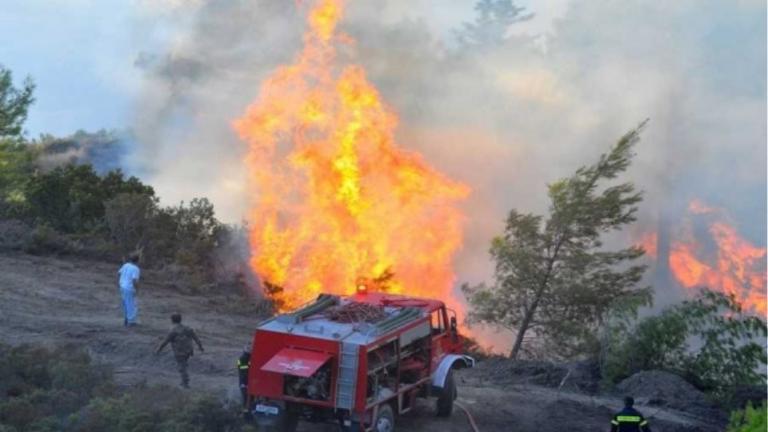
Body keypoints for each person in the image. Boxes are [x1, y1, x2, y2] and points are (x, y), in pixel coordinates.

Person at [156, 313, 204, 388]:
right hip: (188, 350)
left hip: (179, 351)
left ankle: (185, 382)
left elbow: (165, 341)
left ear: (172, 320)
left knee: (182, 367)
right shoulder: (187, 328)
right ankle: (184, 380)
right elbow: (196, 338)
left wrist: (159, 350)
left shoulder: (173, 331)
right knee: (183, 364)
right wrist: (200, 347)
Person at [117, 254, 141, 326]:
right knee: (131, 304)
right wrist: (137, 289)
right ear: (137, 260)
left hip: (122, 286)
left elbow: (119, 273)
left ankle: (127, 318)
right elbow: (134, 280)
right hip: (129, 288)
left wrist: (121, 281)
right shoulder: (136, 268)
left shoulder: (126, 265)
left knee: (125, 303)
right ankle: (131, 321)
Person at [237, 345, 251, 409]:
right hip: (244, 381)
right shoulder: (242, 359)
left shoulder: (249, 357)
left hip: (247, 381)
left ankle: (247, 409)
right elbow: (243, 370)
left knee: (249, 397)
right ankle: (245, 410)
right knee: (245, 397)